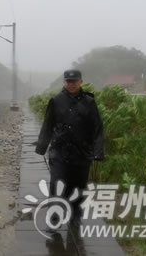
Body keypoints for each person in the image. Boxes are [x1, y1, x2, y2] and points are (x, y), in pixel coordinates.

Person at [35, 69, 104, 225]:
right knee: (57, 185)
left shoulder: (89, 102)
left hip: (82, 153)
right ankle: (54, 219)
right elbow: (48, 125)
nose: (71, 84)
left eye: (74, 81)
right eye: (68, 81)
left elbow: (97, 128)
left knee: (78, 187)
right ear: (64, 82)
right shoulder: (56, 100)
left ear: (81, 81)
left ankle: (75, 217)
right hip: (59, 152)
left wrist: (98, 152)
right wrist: (42, 147)